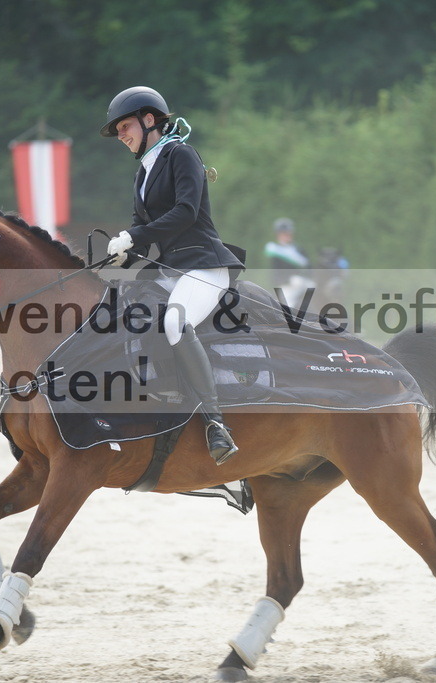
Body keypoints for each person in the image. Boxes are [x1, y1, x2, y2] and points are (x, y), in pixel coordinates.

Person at [100, 86, 244, 465]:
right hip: (171, 269)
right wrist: (124, 255)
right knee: (119, 313)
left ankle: (215, 423)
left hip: (205, 264)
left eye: (125, 126)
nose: (121, 135)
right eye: (117, 131)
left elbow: (185, 212)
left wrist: (134, 237)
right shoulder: (142, 174)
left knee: (175, 322)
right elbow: (142, 232)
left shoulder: (182, 154)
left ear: (150, 120)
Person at [264, 217, 312, 308]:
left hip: (303, 282)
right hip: (286, 285)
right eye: (284, 234)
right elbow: (276, 272)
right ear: (278, 235)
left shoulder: (299, 249)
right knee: (287, 305)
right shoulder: (275, 251)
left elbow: (309, 267)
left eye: (288, 233)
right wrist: (289, 280)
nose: (287, 236)